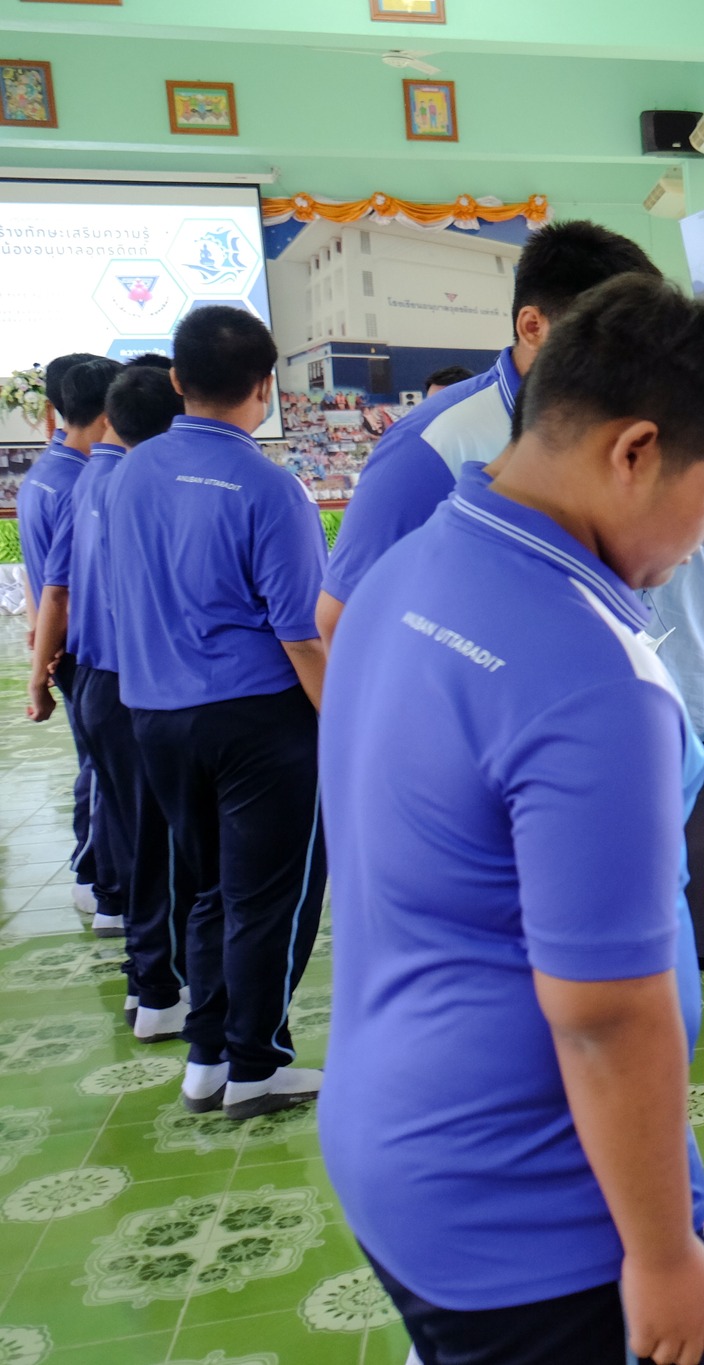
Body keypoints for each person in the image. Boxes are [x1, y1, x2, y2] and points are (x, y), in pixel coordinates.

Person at [320, 274, 704, 1365]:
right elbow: (604, 1018)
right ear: (631, 450)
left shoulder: (407, 569)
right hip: (530, 1207)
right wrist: (664, 1255)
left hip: (396, 1135)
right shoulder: (592, 680)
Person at [107, 306, 328, 1121]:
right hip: (256, 720)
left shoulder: (130, 470)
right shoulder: (270, 487)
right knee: (268, 895)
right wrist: (341, 725)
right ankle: (256, 1063)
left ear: (175, 380)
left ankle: (207, 1059)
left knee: (204, 888)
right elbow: (302, 635)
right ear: (266, 387)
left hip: (155, 714)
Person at [316, 221, 661, 646]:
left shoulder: (618, 424)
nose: (631, 362)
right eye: (613, 338)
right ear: (533, 326)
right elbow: (343, 618)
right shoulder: (432, 442)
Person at [68, 363, 188, 1040]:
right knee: (161, 848)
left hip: (103, 679)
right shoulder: (143, 488)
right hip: (133, 682)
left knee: (138, 841)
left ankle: (148, 981)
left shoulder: (100, 480)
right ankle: (158, 985)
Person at [20, 352, 119, 936]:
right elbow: (59, 588)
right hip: (83, 650)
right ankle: (101, 882)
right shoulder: (80, 482)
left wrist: (40, 648)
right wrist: (45, 660)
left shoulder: (47, 473)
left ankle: (93, 875)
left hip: (64, 647)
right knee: (105, 774)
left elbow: (42, 587)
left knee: (96, 768)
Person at [644, 535, 704, 970]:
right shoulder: (696, 516)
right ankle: (700, 946)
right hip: (690, 681)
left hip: (665, 685)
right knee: (693, 824)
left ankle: (677, 946)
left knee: (671, 829)